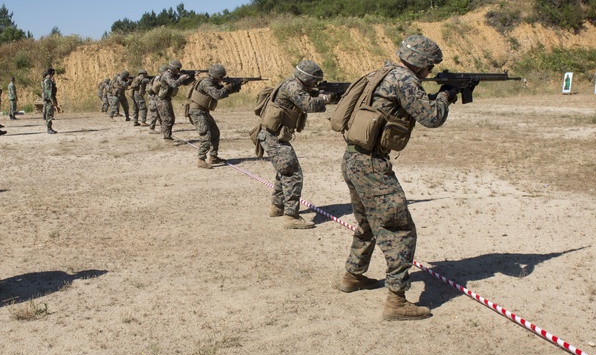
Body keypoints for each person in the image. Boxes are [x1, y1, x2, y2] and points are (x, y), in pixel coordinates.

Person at [337, 35, 456, 321]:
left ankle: (353, 275)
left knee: (367, 223)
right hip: (372, 165)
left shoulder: (380, 74)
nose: (429, 72)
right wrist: (445, 95)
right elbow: (432, 117)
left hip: (354, 159)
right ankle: (396, 301)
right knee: (399, 229)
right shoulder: (405, 80)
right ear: (419, 64)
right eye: (429, 67)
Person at [257, 60, 337, 229]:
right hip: (273, 138)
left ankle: (277, 207)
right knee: (293, 174)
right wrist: (326, 98)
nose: (316, 84)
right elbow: (308, 105)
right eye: (314, 81)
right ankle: (291, 216)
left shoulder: (292, 84)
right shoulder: (293, 87)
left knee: (284, 171)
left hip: (273, 136)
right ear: (306, 78)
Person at [189, 63, 240, 168]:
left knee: (215, 132)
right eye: (221, 77)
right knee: (205, 134)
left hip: (203, 111)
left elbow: (222, 90)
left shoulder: (211, 82)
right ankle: (201, 159)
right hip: (197, 111)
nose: (222, 79)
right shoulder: (206, 83)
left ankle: (213, 157)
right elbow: (218, 94)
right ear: (217, 76)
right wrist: (229, 87)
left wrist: (235, 87)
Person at [155, 59, 194, 141]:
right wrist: (181, 78)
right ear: (173, 68)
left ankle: (167, 135)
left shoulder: (173, 75)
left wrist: (192, 76)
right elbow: (174, 84)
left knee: (171, 118)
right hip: (161, 100)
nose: (178, 71)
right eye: (177, 69)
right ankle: (166, 137)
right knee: (167, 118)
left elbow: (185, 83)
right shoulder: (167, 75)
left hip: (166, 99)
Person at [147, 65, 167, 133]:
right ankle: (151, 128)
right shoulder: (159, 78)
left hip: (154, 97)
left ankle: (162, 128)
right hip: (153, 98)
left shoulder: (156, 77)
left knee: (159, 113)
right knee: (155, 114)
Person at [42, 67, 58, 134]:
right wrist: (53, 100)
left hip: (48, 99)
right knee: (49, 114)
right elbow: (49, 92)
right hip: (49, 100)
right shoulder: (48, 81)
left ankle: (49, 128)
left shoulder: (47, 80)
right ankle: (49, 128)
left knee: (49, 114)